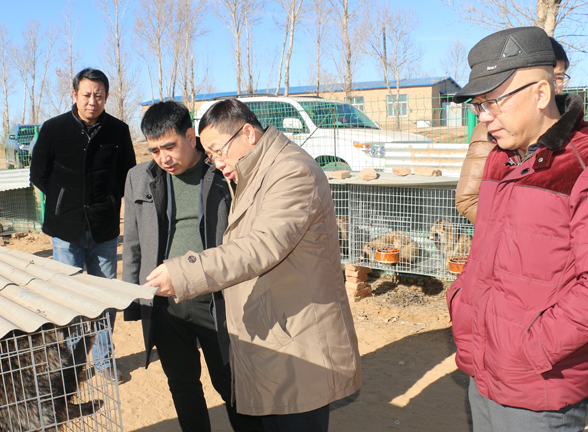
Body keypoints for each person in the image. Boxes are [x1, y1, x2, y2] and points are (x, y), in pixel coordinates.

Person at [446, 26, 588, 431]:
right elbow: (486, 252)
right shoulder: (501, 159)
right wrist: (462, 302)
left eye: (493, 102)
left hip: (539, 387)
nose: (484, 118)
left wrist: (527, 348)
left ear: (540, 94)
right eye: (478, 106)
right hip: (483, 366)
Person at [144, 98, 362, 431]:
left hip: (300, 340)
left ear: (248, 133)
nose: (215, 163)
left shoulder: (291, 171)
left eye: (218, 151)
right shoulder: (253, 171)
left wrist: (186, 271)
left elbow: (263, 244)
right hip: (275, 330)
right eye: (211, 155)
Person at [122, 101, 263, 432]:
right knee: (182, 386)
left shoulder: (224, 172)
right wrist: (134, 300)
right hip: (164, 302)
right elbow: (132, 243)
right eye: (154, 150)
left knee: (233, 385)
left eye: (170, 146)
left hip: (216, 300)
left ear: (190, 136)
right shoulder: (139, 178)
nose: (163, 158)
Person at [30, 67, 136, 383]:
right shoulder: (53, 129)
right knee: (70, 296)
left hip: (103, 228)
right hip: (66, 229)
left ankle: (104, 360)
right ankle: (72, 365)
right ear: (74, 94)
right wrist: (65, 201)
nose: (93, 101)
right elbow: (38, 174)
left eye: (99, 95)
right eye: (87, 94)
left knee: (104, 295)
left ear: (106, 97)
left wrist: (106, 202)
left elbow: (127, 175)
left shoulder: (118, 131)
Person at [455, 36, 570, 224]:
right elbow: (467, 199)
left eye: (558, 78)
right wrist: (513, 232)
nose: (553, 86)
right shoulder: (490, 132)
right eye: (483, 104)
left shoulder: (585, 145)